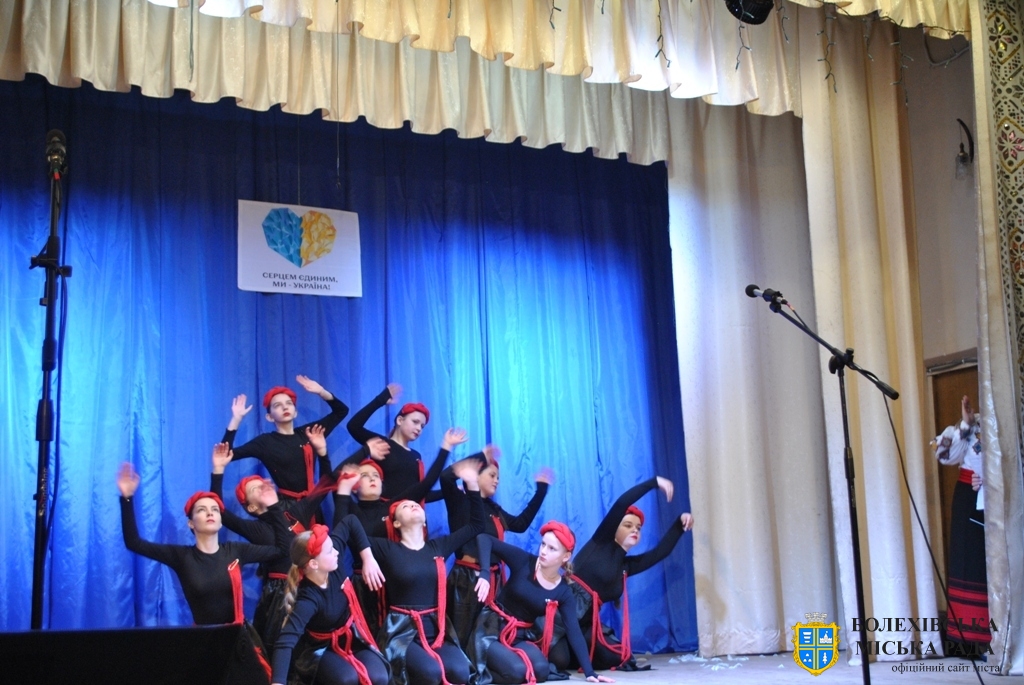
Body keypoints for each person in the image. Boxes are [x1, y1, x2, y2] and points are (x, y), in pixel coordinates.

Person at [211, 429, 389, 652]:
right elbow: (220, 511)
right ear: (252, 507)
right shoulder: (255, 529)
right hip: (280, 597)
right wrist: (218, 471)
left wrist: (352, 451)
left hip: (312, 587)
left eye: (263, 483)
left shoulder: (296, 513)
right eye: (255, 488)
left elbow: (327, 482)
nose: (263, 486)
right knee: (282, 646)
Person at [117, 462, 288, 681]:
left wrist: (274, 507)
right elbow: (134, 542)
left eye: (215, 510)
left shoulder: (236, 551)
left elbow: (282, 550)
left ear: (220, 520)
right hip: (206, 643)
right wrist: (127, 498)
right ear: (191, 523)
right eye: (202, 510)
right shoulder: (182, 557)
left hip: (240, 641)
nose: (210, 513)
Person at [335, 428, 471, 632]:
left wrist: (446, 447)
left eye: (376, 475)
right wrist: (363, 455)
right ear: (354, 484)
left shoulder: (393, 507)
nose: (372, 479)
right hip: (364, 585)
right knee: (367, 637)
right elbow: (339, 530)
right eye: (365, 475)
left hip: (396, 582)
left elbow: (426, 484)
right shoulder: (351, 509)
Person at [367, 457, 486, 685]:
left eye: (416, 505)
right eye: (405, 506)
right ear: (396, 523)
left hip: (436, 630)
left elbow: (477, 525)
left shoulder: (438, 547)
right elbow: (350, 528)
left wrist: (472, 485)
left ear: (424, 521)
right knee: (431, 674)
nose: (413, 505)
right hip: (403, 632)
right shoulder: (388, 549)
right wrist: (366, 557)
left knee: (460, 673)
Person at [567, 476, 693, 671]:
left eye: (638, 528)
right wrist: (654, 482)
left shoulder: (625, 567)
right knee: (558, 659)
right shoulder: (600, 543)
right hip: (562, 619)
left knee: (620, 657)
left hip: (585, 626)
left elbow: (660, 553)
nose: (634, 530)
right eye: (628, 525)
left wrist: (679, 525)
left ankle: (576, 655)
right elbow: (622, 504)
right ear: (614, 528)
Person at [468, 523, 614, 685]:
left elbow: (574, 631)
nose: (543, 551)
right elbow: (485, 538)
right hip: (491, 630)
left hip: (519, 636)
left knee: (542, 670)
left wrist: (590, 672)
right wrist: (485, 573)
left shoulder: (563, 591)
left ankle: (503, 661)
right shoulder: (524, 561)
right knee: (517, 672)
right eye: (543, 544)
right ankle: (477, 667)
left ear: (565, 556)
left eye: (552, 548)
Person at [441, 446, 552, 647]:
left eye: (498, 477)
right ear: (476, 475)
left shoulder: (494, 509)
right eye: (492, 475)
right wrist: (481, 456)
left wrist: (541, 492)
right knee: (462, 635)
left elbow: (520, 524)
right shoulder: (460, 501)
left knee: (486, 636)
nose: (497, 480)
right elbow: (446, 477)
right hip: (466, 579)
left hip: (493, 578)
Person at [271, 518, 388, 685]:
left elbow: (350, 521)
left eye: (333, 547)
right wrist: (277, 682)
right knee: (347, 679)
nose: (336, 552)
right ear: (313, 564)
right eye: (330, 551)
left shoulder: (334, 565)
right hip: (322, 648)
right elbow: (285, 642)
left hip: (352, 639)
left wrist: (368, 558)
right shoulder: (308, 600)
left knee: (380, 677)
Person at [223, 375, 349, 505]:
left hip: (313, 503)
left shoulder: (310, 433)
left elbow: (341, 411)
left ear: (295, 412)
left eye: (289, 403)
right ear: (269, 417)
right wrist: (236, 419)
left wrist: (321, 391)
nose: (285, 407)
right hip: (286, 508)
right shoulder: (265, 442)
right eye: (277, 405)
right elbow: (225, 455)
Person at [933, 395, 990, 649]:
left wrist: (993, 479)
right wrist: (965, 425)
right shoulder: (972, 425)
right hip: (971, 499)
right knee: (971, 563)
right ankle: (973, 639)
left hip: (1006, 497)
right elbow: (943, 454)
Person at [346, 383, 431, 498]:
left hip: (408, 508)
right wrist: (379, 400)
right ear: (400, 420)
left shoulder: (416, 456)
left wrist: (451, 487)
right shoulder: (381, 444)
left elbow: (419, 493)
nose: (419, 428)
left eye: (422, 426)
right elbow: (353, 426)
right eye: (415, 422)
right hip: (381, 508)